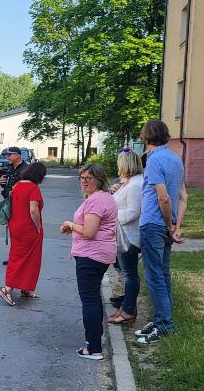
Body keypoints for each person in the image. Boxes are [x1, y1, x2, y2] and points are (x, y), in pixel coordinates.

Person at [135, 120, 188, 345]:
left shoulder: (155, 160)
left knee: (154, 275)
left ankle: (165, 325)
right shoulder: (176, 159)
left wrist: (168, 225)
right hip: (166, 225)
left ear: (146, 137)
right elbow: (183, 197)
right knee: (163, 273)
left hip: (154, 224)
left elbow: (164, 197)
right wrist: (177, 225)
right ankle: (160, 320)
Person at [61, 163, 118, 361]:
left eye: (89, 179)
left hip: (91, 255)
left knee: (89, 300)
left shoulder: (96, 201)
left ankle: (93, 348)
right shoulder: (104, 197)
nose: (84, 182)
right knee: (93, 298)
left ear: (99, 180)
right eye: (82, 178)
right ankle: (95, 341)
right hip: (99, 254)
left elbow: (89, 232)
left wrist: (70, 224)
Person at [0, 162, 46, 306]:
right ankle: (7, 288)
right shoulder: (33, 188)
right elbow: (33, 210)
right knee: (29, 258)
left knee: (17, 256)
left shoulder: (17, 185)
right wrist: (38, 227)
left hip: (15, 226)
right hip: (28, 228)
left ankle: (25, 289)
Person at [107, 149, 144, 326]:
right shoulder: (129, 183)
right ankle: (126, 307)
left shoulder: (136, 185)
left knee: (130, 275)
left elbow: (133, 213)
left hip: (129, 237)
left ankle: (129, 310)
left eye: (119, 162)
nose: (117, 166)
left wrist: (110, 214)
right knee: (127, 274)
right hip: (122, 235)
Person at [0, 147, 28, 265]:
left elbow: (31, 189)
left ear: (17, 155)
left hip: (22, 206)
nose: (7, 158)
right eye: (7, 155)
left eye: (10, 155)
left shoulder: (27, 169)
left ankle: (23, 258)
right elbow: (5, 185)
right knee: (13, 232)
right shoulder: (9, 168)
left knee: (22, 233)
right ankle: (14, 257)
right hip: (10, 204)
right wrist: (1, 182)